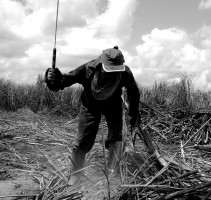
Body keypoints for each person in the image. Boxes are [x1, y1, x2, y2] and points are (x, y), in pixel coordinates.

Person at [44, 46, 140, 185]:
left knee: (117, 138)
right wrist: (53, 78)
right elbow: (64, 81)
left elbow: (133, 92)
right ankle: (76, 175)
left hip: (113, 104)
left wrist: (134, 113)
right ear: (101, 65)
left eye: (115, 70)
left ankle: (112, 174)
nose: (112, 74)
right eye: (109, 70)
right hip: (90, 104)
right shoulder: (88, 69)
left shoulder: (125, 72)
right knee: (82, 141)